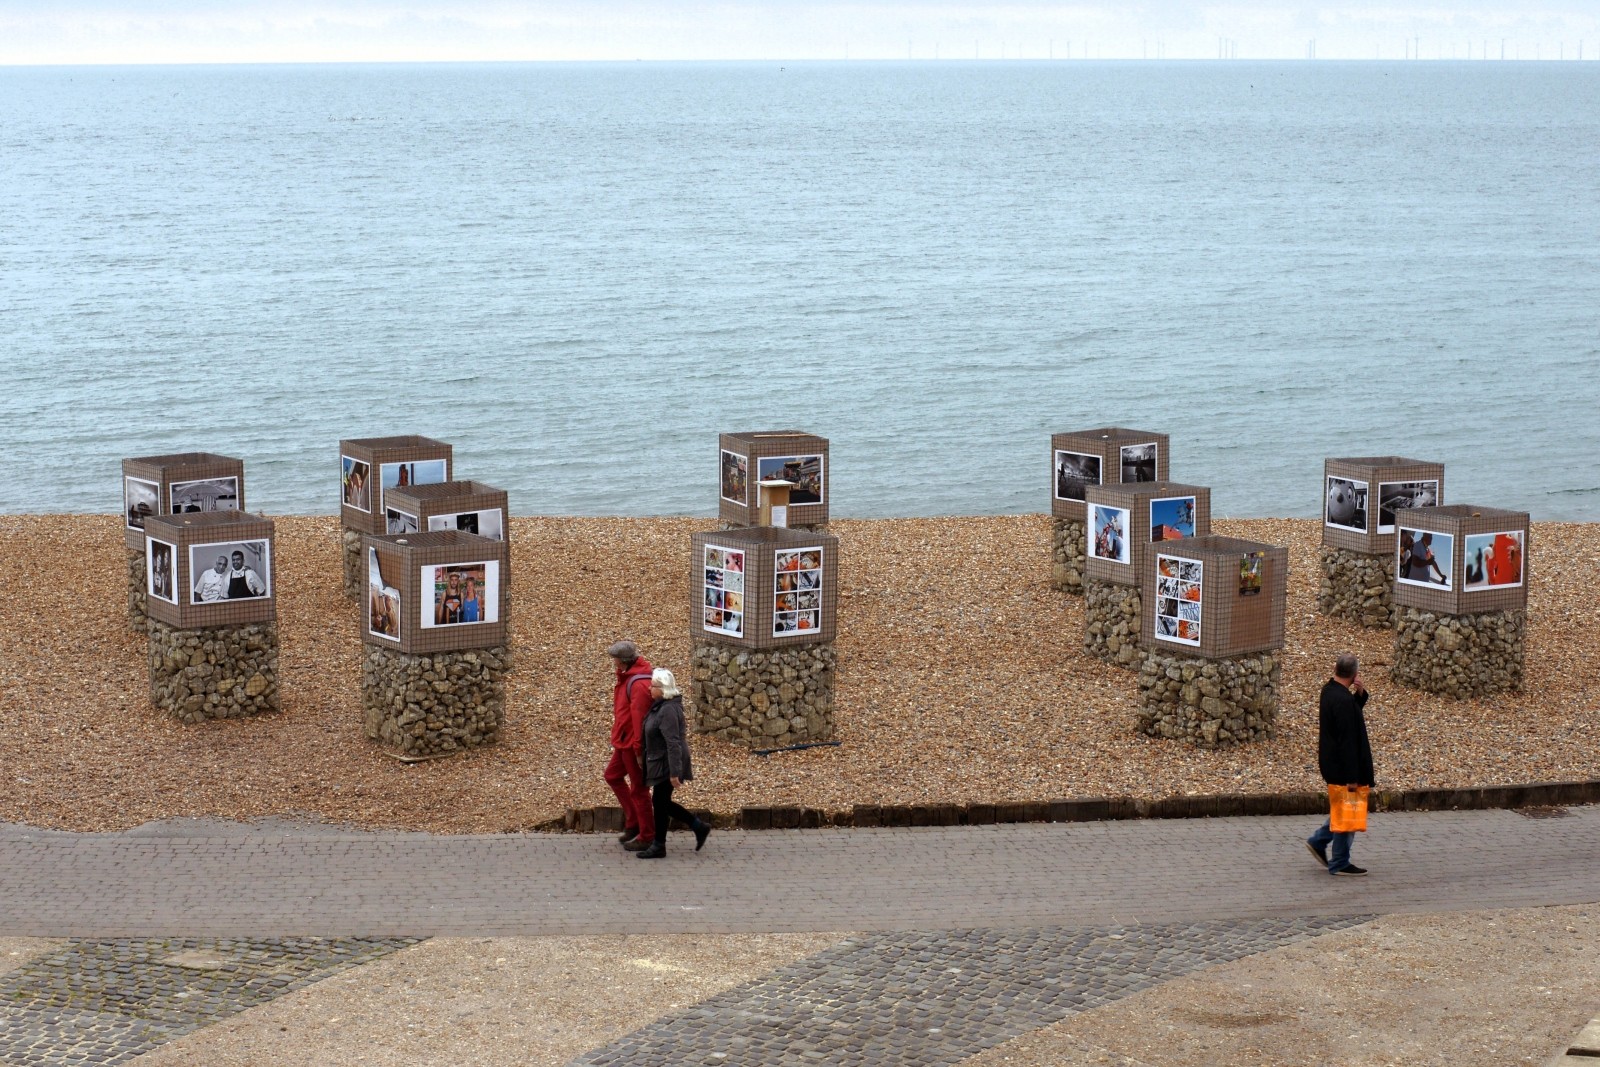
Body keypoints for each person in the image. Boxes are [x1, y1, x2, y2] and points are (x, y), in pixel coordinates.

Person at [1307, 654, 1375, 876]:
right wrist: (1352, 777)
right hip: (1343, 767)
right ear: (1354, 674)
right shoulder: (1343, 700)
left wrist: (1360, 695)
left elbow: (1347, 716)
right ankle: (1339, 862)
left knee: (1342, 808)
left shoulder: (1330, 691)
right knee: (1349, 811)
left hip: (1331, 763)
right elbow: (1347, 741)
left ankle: (1318, 841)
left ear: (1335, 669)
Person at [636, 668, 710, 859]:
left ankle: (660, 845)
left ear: (663, 689)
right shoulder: (661, 705)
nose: (649, 688)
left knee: (659, 802)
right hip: (662, 760)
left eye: (653, 686)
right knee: (661, 802)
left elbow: (673, 742)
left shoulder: (667, 710)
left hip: (667, 762)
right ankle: (698, 827)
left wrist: (674, 772)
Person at [605, 640, 656, 852]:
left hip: (631, 744)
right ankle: (633, 821)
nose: (613, 662)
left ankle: (647, 835)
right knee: (612, 776)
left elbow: (639, 719)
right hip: (623, 740)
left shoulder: (637, 684)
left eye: (614, 659)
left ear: (622, 660)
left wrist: (638, 750)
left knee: (639, 790)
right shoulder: (632, 677)